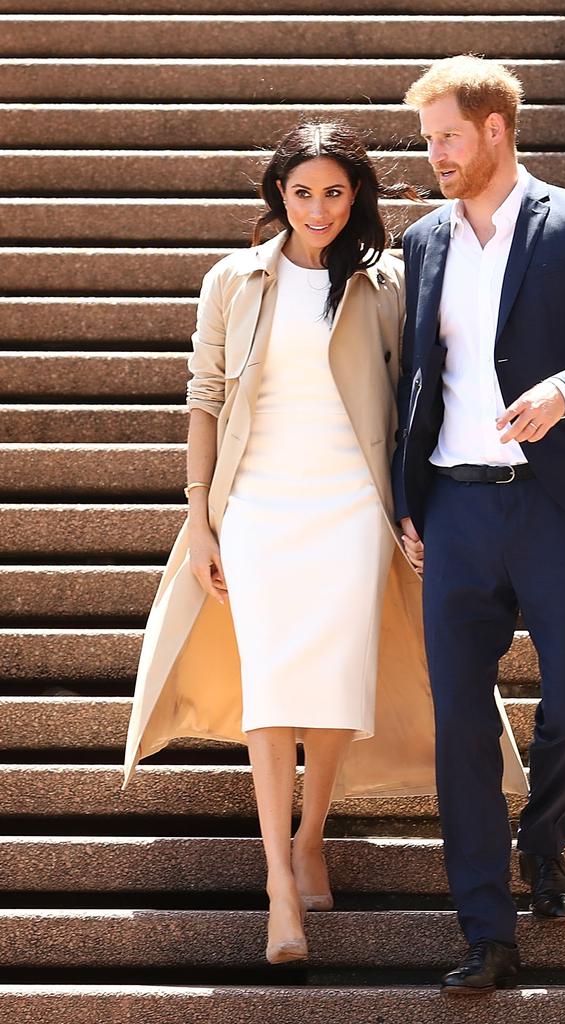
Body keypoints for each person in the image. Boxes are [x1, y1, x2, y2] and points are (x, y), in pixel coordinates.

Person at [122, 121, 529, 967]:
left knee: (337, 685)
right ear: (278, 195)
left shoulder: (388, 282)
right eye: (301, 192)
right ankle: (279, 881)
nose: (317, 208)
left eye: (334, 193)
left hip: (351, 503)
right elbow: (204, 398)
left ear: (357, 198)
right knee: (272, 690)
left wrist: (420, 507)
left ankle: (314, 834)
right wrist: (201, 515)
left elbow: (424, 395)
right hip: (258, 506)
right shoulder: (233, 279)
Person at [393, 56, 565, 995]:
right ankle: (486, 931)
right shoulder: (422, 239)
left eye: (447, 137)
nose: (434, 155)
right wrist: (408, 501)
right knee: (458, 723)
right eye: (428, 140)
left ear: (495, 129)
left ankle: (543, 842)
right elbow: (411, 381)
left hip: (558, 502)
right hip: (457, 507)